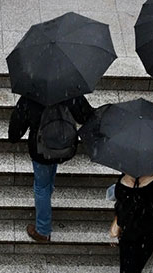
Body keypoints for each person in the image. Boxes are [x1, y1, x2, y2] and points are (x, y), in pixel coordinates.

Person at [8, 95, 93, 242]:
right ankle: (48, 194)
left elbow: (16, 129)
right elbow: (86, 116)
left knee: (41, 187)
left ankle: (42, 230)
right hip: (64, 146)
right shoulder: (71, 91)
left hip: (41, 151)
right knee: (50, 173)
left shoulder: (30, 96)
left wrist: (15, 135)